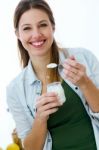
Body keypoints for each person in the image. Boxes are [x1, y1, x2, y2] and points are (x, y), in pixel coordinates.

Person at [6, 0, 99, 150]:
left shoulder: (83, 58)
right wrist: (40, 118)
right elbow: (31, 148)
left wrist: (85, 83)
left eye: (42, 25)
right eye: (27, 28)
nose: (36, 34)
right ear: (18, 34)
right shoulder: (15, 90)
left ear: (53, 26)